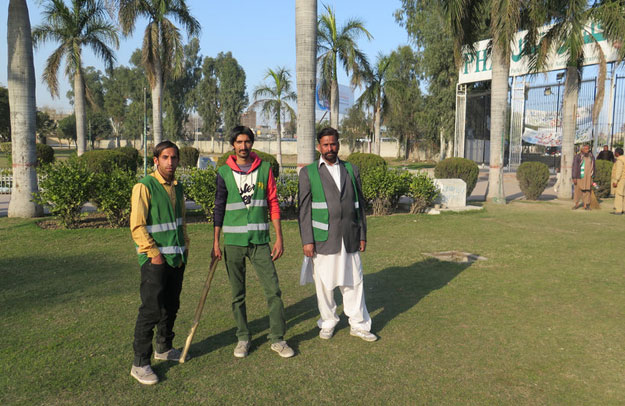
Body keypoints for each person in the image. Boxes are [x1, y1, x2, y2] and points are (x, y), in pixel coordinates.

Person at [212, 126, 294, 358]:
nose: (243, 146)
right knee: (237, 294)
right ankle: (243, 337)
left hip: (260, 242)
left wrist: (279, 238)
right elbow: (218, 208)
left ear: (252, 143)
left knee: (273, 291)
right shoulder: (224, 173)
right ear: (233, 145)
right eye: (239, 142)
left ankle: (278, 338)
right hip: (234, 243)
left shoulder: (265, 169)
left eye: (247, 141)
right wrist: (216, 242)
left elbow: (273, 203)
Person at [298, 127, 377, 342]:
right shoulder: (308, 173)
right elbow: (304, 210)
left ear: (338, 144)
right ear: (318, 147)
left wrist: (362, 234)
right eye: (326, 145)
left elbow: (359, 205)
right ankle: (328, 321)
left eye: (333, 144)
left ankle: (359, 324)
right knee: (323, 283)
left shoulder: (351, 170)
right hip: (323, 238)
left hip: (349, 236)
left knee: (354, 281)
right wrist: (307, 240)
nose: (330, 148)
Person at [129, 141, 189, 385]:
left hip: (176, 258)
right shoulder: (144, 186)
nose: (170, 162)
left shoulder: (178, 187)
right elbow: (137, 225)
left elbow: (180, 222)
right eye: (165, 157)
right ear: (156, 160)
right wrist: (154, 254)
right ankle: (140, 363)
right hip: (154, 259)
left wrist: (185, 247)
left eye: (174, 158)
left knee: (170, 306)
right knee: (151, 309)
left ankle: (164, 348)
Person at [572, 144, 595, 210]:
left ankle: (586, 205)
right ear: (582, 149)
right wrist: (574, 177)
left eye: (588, 149)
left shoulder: (591, 156)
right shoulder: (578, 157)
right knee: (578, 191)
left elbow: (593, 167)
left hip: (588, 177)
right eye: (585, 149)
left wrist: (593, 176)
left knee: (587, 191)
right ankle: (576, 204)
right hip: (579, 177)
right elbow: (575, 167)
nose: (587, 150)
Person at [611, 147, 625, 214]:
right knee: (623, 194)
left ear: (617, 153)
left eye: (614, 152)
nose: (614, 153)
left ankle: (618, 210)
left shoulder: (619, 160)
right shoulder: (624, 159)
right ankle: (623, 209)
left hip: (621, 179)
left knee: (619, 194)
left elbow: (619, 171)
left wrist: (616, 181)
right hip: (624, 179)